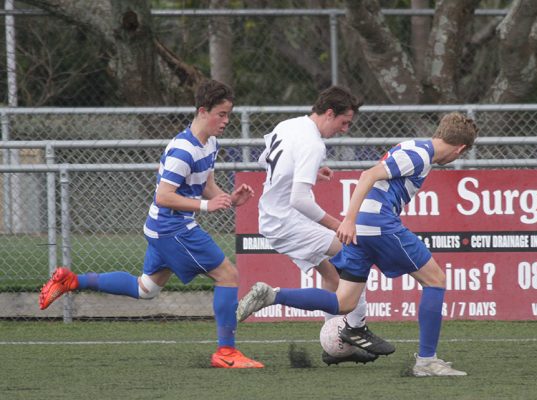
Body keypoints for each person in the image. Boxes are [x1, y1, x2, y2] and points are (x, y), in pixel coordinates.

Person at [39, 79, 264, 369]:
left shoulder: (210, 143)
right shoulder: (184, 150)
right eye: (221, 114)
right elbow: (164, 196)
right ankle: (226, 352)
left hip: (164, 228)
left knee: (146, 288)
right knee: (229, 276)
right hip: (174, 229)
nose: (226, 121)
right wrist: (207, 206)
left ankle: (71, 281)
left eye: (229, 114)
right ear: (203, 111)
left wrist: (228, 198)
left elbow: (205, 183)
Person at [237, 112, 478, 376]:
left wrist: (355, 222)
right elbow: (368, 176)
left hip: (365, 227)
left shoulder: (415, 147)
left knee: (344, 302)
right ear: (460, 148)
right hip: (379, 224)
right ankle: (427, 361)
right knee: (436, 280)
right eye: (460, 155)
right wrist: (348, 220)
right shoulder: (419, 154)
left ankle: (273, 295)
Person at [238, 86, 395, 365]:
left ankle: (333, 344)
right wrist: (339, 225)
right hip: (288, 220)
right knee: (355, 256)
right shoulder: (313, 144)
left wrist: (308, 171)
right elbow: (300, 200)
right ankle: (356, 328)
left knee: (334, 277)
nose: (345, 129)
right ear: (330, 113)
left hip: (273, 215)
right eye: (344, 122)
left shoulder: (289, 125)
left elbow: (268, 160)